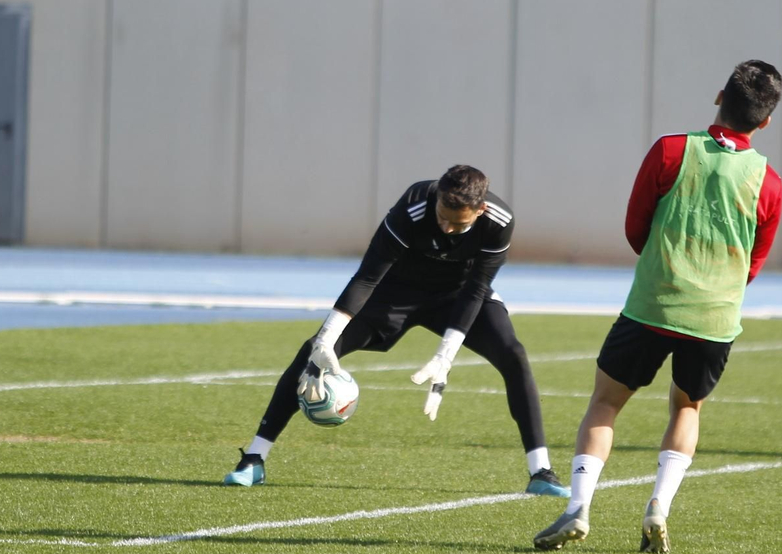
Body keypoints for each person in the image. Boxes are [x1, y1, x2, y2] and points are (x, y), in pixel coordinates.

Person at [533, 60, 782, 553]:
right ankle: (658, 507)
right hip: (714, 317)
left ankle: (578, 506)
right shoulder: (768, 180)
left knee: (605, 403)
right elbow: (755, 260)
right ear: (766, 120)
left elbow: (635, 227)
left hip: (652, 305)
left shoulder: (671, 150)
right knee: (687, 408)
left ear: (719, 97)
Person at [222, 164, 568, 498]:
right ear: (437, 198)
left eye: (458, 223)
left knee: (513, 354)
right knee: (312, 349)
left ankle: (541, 472)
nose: (447, 228)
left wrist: (445, 356)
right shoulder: (414, 204)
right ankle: (254, 459)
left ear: (480, 210)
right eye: (442, 217)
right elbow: (367, 277)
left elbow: (476, 290)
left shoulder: (498, 221)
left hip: (458, 294)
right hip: (395, 293)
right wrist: (326, 339)